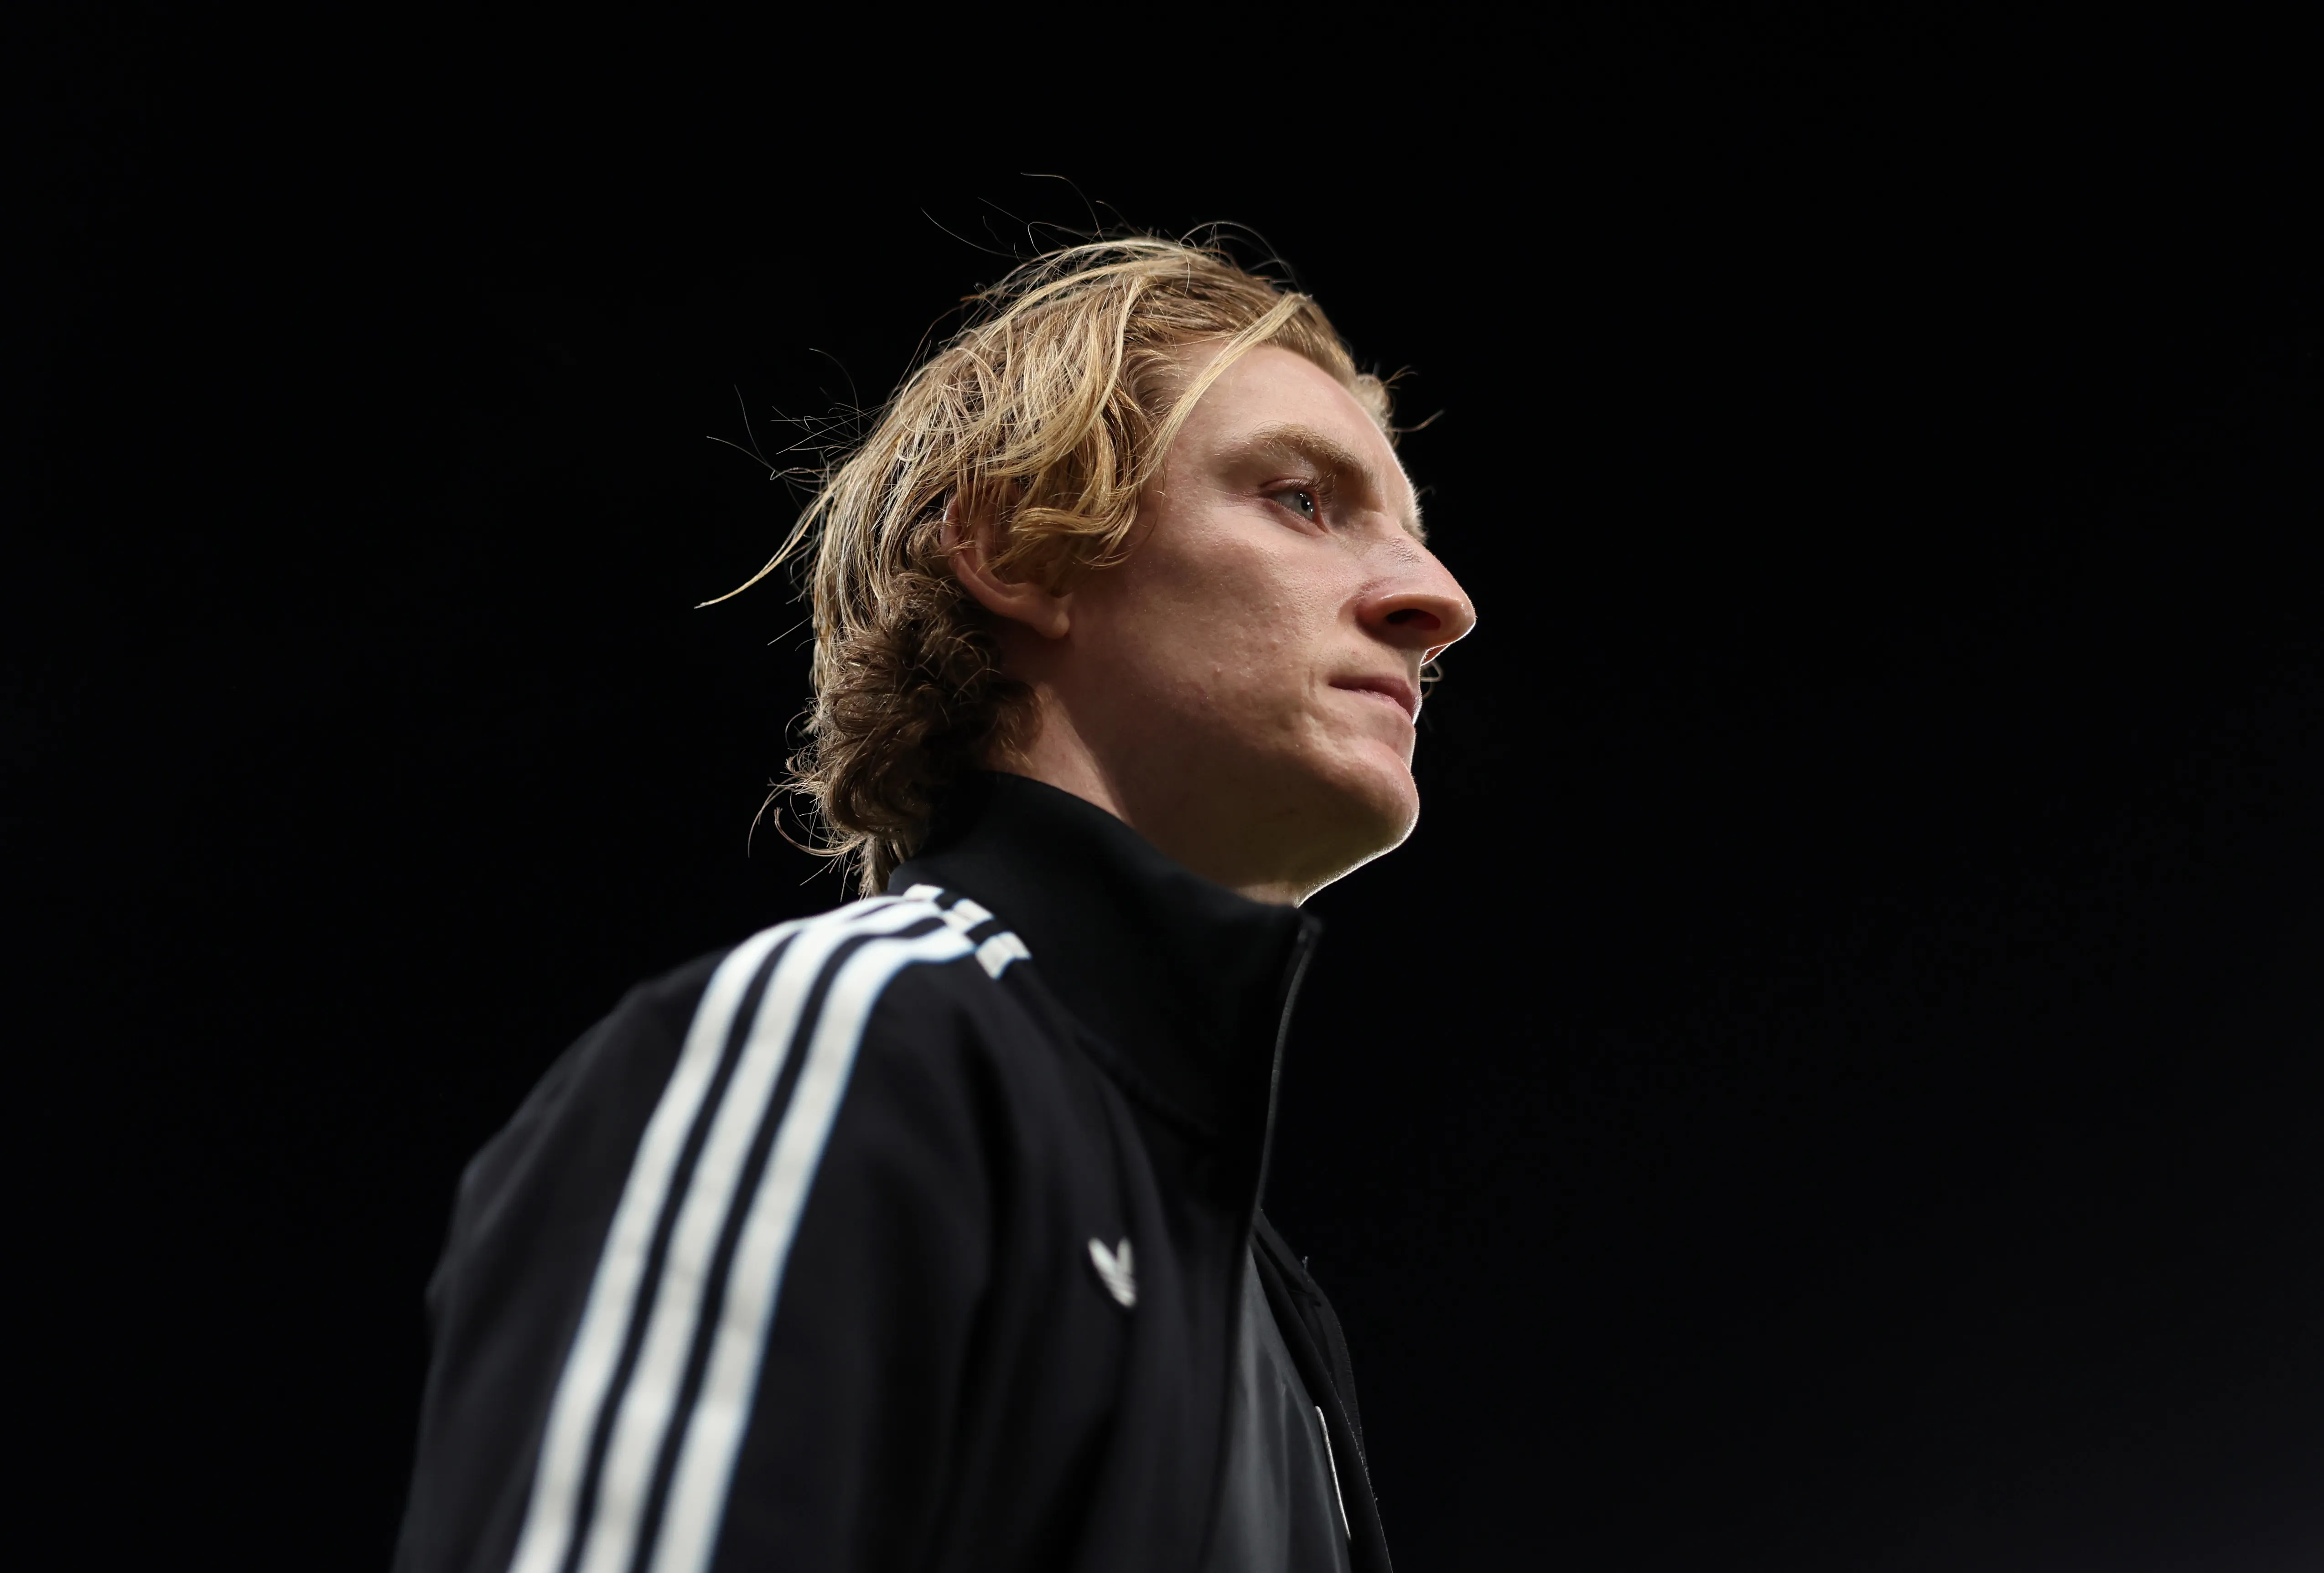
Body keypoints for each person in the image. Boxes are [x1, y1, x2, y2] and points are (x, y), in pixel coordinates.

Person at [392, 237, 1476, 1573]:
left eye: (1416, 535)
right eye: (1305, 500)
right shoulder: (852, 1041)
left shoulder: (1273, 1308)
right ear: (1018, 551)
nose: (1439, 601)